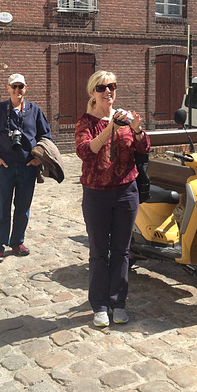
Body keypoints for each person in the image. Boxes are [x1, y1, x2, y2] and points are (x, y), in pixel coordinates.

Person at [75, 71, 151, 328]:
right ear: (92, 93)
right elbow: (85, 152)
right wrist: (110, 127)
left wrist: (138, 131)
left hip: (126, 192)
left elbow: (143, 149)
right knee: (98, 251)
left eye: (112, 86)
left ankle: (118, 303)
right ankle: (99, 305)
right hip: (96, 194)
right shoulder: (86, 122)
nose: (108, 91)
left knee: (121, 251)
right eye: (102, 87)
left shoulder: (126, 118)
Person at [0, 73, 52, 264]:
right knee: (1, 207)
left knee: (23, 207)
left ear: (25, 88)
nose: (17, 90)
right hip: (4, 167)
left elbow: (46, 136)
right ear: (7, 88)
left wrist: (39, 159)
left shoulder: (34, 110)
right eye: (13, 87)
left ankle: (17, 242)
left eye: (20, 87)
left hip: (27, 167)